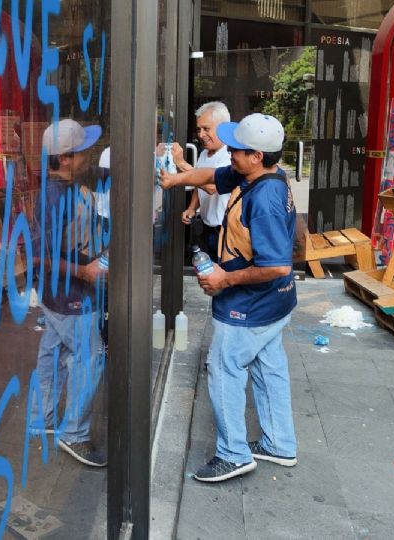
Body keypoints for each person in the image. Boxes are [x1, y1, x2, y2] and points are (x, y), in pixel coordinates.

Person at [159, 113, 298, 482]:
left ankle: (233, 454)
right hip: (276, 304)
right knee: (269, 369)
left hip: (252, 305)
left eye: (236, 149)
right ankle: (279, 444)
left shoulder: (265, 199)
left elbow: (278, 266)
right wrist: (175, 179)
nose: (229, 154)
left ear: (257, 155)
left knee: (223, 368)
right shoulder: (259, 174)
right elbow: (211, 177)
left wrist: (224, 278)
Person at [29, 118, 107, 468]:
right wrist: (85, 271)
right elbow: (40, 255)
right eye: (81, 151)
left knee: (53, 351)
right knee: (89, 359)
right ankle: (74, 434)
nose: (88, 155)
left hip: (61, 294)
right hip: (71, 295)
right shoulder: (52, 196)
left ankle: (41, 418)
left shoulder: (68, 187)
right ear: (63, 158)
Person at [173, 102, 233, 261]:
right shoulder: (204, 153)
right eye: (199, 129)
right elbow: (197, 185)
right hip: (207, 228)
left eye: (206, 129)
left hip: (224, 231)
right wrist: (192, 208)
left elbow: (212, 187)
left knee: (221, 279)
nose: (201, 134)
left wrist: (181, 164)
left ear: (223, 128)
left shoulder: (230, 155)